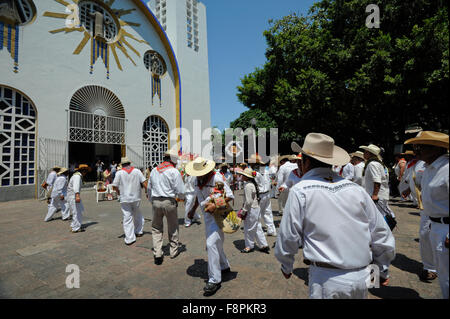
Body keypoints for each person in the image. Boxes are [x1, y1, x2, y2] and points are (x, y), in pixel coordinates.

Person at [275, 133, 395, 299]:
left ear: (306, 162)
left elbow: (288, 236)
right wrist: (381, 270)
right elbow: (381, 234)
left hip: (327, 278)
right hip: (363, 275)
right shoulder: (356, 190)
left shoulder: (301, 190)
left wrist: (286, 266)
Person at [405, 131, 449, 298]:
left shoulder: (447, 169)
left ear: (436, 149)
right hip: (435, 225)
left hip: (446, 228)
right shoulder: (430, 168)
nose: (417, 150)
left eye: (421, 146)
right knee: (444, 276)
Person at [186, 157, 234, 296]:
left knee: (211, 243)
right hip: (207, 216)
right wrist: (192, 210)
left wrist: (215, 204)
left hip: (219, 215)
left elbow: (230, 196)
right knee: (215, 242)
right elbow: (198, 196)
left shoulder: (217, 177)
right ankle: (224, 266)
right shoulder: (196, 180)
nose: (199, 174)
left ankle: (214, 280)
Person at [400, 153, 437, 282]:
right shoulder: (421, 164)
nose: (419, 150)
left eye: (422, 147)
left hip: (443, 211)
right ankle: (430, 267)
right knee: (425, 235)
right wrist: (408, 190)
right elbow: (418, 180)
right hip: (426, 208)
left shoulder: (444, 166)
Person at [148, 150, 185, 265]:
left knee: (156, 228)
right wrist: (181, 198)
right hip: (169, 201)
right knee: (173, 226)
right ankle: (173, 251)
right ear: (173, 159)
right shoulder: (174, 171)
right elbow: (181, 190)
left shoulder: (154, 170)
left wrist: (151, 200)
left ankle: (157, 253)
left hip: (156, 201)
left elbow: (149, 188)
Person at [360, 144, 397, 238]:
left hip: (377, 195)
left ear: (369, 153)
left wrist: (375, 194)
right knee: (379, 217)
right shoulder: (378, 163)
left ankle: (381, 236)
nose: (364, 154)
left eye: (365, 152)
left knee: (376, 218)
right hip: (381, 194)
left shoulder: (372, 164)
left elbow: (377, 181)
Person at [112, 157, 147, 246]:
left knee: (127, 217)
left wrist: (119, 192)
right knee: (137, 214)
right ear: (129, 163)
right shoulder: (137, 171)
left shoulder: (119, 173)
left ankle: (130, 238)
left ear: (122, 164)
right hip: (136, 197)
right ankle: (139, 231)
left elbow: (114, 185)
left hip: (124, 198)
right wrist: (147, 192)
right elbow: (144, 182)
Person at [237, 167, 270, 254]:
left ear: (246, 177)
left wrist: (243, 210)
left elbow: (248, 201)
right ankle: (263, 244)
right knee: (257, 226)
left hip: (251, 209)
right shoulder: (252, 184)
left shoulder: (248, 186)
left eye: (243, 175)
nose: (242, 176)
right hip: (256, 207)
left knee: (249, 228)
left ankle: (249, 246)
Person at [247, 154, 277, 237]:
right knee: (268, 212)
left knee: (257, 214)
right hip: (267, 193)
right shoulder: (266, 170)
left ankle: (258, 232)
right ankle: (271, 230)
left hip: (260, 195)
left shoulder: (254, 172)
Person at [67, 164, 90, 233]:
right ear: (84, 171)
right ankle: (76, 228)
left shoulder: (76, 175)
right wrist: (77, 196)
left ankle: (74, 225)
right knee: (77, 212)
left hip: (72, 196)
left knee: (76, 211)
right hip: (73, 196)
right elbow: (76, 187)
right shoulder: (77, 177)